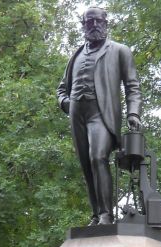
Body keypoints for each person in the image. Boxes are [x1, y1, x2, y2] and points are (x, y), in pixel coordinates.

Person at [57, 7, 143, 225]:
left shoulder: (120, 51)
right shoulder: (75, 55)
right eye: (89, 22)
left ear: (106, 23)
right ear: (83, 25)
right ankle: (95, 215)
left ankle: (106, 214)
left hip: (101, 112)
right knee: (86, 164)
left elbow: (133, 86)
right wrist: (66, 103)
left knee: (98, 157)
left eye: (98, 21)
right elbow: (61, 89)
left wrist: (133, 113)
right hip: (77, 113)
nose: (94, 25)